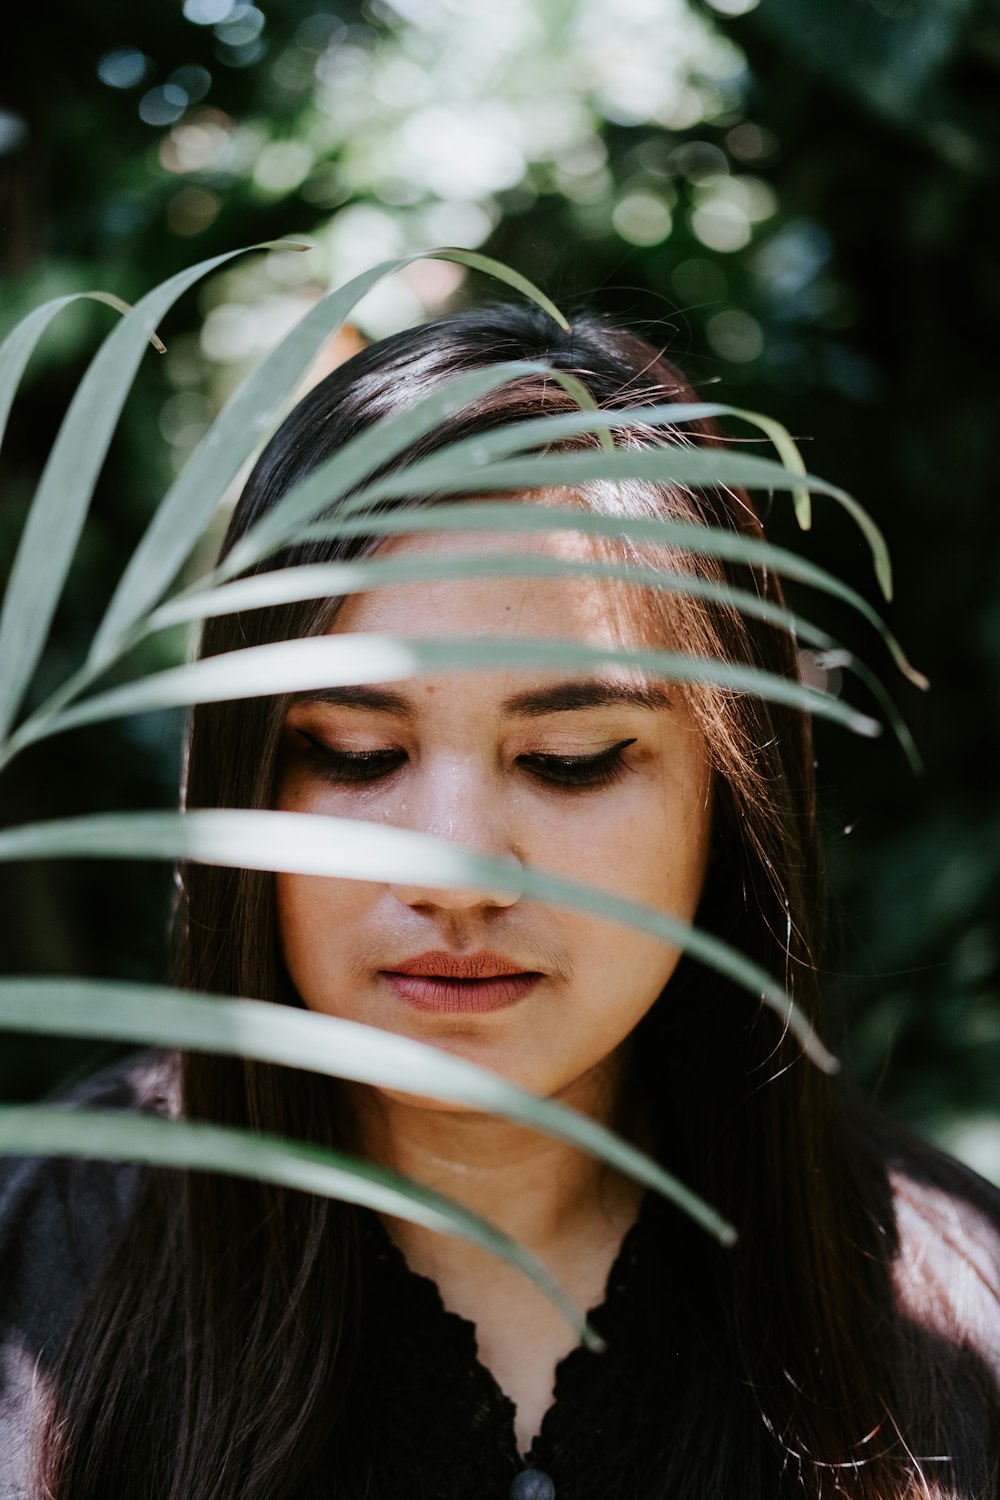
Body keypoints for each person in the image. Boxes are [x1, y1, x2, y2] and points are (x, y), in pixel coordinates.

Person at [1, 304, 998, 1500]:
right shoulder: (35, 1285)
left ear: (730, 801)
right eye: (356, 752)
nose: (456, 869)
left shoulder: (954, 1316)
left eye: (570, 757)